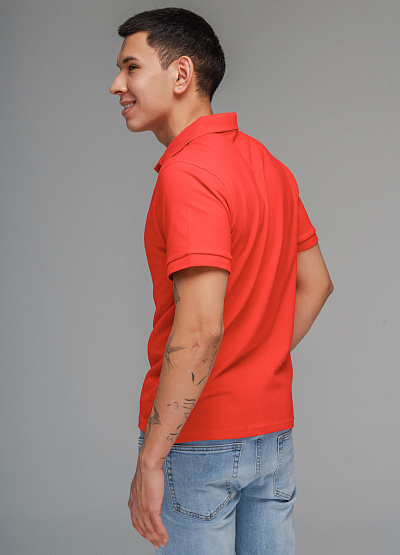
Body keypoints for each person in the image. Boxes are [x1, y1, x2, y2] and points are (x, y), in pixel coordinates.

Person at [110, 7, 333, 554]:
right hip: (271, 435)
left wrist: (151, 459)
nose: (117, 85)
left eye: (131, 67)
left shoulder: (187, 174)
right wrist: (254, 359)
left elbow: (201, 327)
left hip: (200, 439)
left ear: (181, 74)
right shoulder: (269, 165)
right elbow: (317, 283)